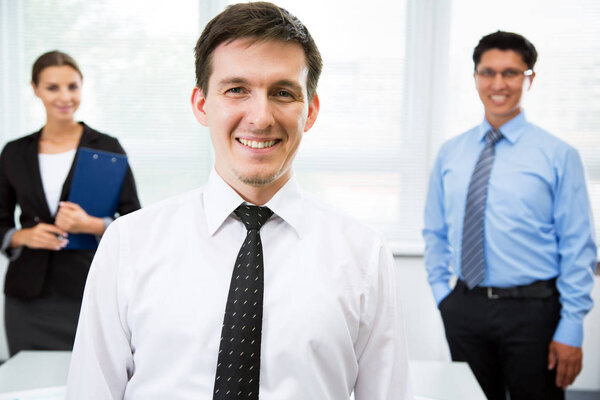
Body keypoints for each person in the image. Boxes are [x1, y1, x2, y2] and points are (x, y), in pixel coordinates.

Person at [66, 2, 412, 399]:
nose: (261, 117)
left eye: (283, 93)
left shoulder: (364, 254)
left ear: (310, 111)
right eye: (236, 90)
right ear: (201, 104)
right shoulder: (129, 243)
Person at [423, 31, 596, 400]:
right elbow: (435, 231)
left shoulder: (558, 155)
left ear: (529, 78)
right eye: (488, 72)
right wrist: (444, 296)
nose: (498, 84)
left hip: (534, 312)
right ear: (475, 77)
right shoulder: (451, 152)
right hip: (464, 308)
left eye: (511, 73)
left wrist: (572, 326)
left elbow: (578, 245)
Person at [0, 50, 141, 356]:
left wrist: (90, 225)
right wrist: (23, 236)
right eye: (52, 88)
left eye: (72, 87)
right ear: (35, 89)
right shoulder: (14, 152)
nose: (64, 96)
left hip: (88, 290)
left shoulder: (106, 146)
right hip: (27, 298)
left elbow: (135, 219)